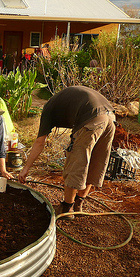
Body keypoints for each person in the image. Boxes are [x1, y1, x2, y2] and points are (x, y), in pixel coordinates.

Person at [18, 86, 116, 219]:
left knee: (76, 161)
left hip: (92, 118)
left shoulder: (48, 110)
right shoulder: (65, 101)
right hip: (110, 118)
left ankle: (67, 208)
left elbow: (40, 142)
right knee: (95, 161)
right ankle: (79, 204)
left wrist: (26, 168)